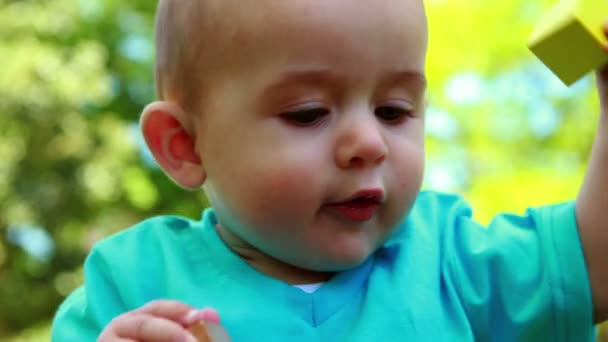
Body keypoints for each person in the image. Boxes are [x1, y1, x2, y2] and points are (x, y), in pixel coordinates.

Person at [52, 0, 608, 341]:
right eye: (308, 113)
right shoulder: (130, 284)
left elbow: (594, 268)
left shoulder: (450, 262)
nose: (369, 143)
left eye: (394, 111)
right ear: (185, 146)